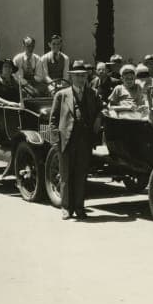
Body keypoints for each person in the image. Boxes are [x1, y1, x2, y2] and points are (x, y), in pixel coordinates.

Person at [50, 61, 102, 220]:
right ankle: (66, 208)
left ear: (87, 77)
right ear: (71, 77)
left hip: (84, 140)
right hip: (66, 139)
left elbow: (100, 110)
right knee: (65, 175)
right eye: (77, 76)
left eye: (83, 76)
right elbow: (53, 119)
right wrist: (56, 140)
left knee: (81, 175)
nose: (81, 79)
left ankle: (79, 207)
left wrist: (98, 119)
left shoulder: (92, 94)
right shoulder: (62, 94)